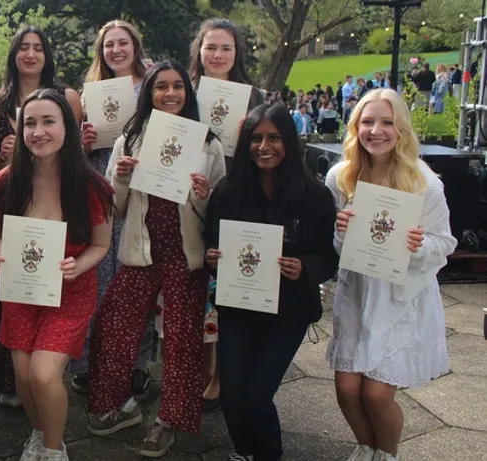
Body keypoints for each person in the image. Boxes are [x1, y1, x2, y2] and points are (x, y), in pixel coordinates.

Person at [86, 61, 224, 458]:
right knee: (112, 325)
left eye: (178, 86)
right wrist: (124, 178)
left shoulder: (207, 144)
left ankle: (167, 423)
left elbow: (215, 213)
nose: (170, 93)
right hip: (141, 251)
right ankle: (115, 406)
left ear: (188, 92)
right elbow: (119, 207)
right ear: (148, 93)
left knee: (182, 343)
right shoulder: (128, 140)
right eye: (161, 86)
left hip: (186, 255)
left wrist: (201, 193)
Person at [326, 88, 456, 461]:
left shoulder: (424, 184)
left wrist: (419, 246)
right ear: (356, 127)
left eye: (386, 122)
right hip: (359, 290)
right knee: (347, 388)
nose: (376, 130)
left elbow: (444, 243)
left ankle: (387, 454)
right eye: (367, 121)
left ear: (401, 129)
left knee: (377, 393)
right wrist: (340, 231)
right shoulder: (341, 178)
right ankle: (366, 448)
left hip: (400, 297)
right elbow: (337, 249)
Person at [205, 103, 339, 461]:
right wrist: (212, 257)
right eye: (256, 138)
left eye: (274, 138)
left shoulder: (315, 196)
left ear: (289, 142)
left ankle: (268, 455)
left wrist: (305, 268)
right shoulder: (228, 193)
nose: (264, 146)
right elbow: (210, 241)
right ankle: (245, 452)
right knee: (232, 396)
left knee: (256, 397)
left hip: (288, 312)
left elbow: (331, 255)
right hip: (238, 308)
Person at [0, 88, 114, 461]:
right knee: (24, 376)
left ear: (67, 128)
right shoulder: (5, 182)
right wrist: (0, 256)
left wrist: (79, 265)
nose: (38, 131)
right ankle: (40, 431)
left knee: (44, 374)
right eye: (30, 123)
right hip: (22, 289)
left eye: (48, 122)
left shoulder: (92, 186)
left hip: (70, 290)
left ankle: (54, 449)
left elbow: (101, 245)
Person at [0, 25, 82, 408]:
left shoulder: (67, 96)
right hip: (16, 203)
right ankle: (13, 385)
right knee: (12, 300)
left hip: (56, 203)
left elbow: (75, 149)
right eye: (22, 47)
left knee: (54, 298)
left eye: (37, 47)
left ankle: (48, 377)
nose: (29, 54)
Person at [72, 18, 156, 401]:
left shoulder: (154, 84)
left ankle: (135, 366)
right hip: (103, 191)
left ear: (135, 46)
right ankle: (94, 363)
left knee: (136, 280)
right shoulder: (90, 93)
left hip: (142, 192)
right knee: (102, 281)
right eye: (108, 45)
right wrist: (85, 143)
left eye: (122, 43)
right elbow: (78, 156)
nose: (116, 50)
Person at [188, 17, 265, 409]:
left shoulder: (257, 99)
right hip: (191, 201)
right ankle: (201, 374)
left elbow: (274, 153)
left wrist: (250, 133)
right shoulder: (182, 92)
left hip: (239, 204)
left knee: (229, 290)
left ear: (237, 53)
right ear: (199, 51)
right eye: (210, 47)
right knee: (198, 289)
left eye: (225, 48)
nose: (217, 55)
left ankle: (222, 376)